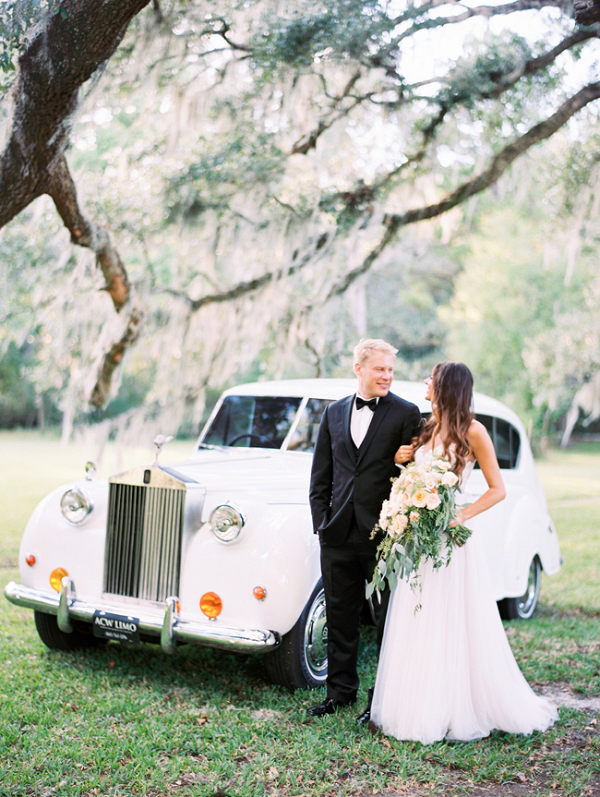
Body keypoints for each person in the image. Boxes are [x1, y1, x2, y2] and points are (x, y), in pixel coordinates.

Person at [370, 361, 558, 743]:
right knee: (419, 619)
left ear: (446, 386)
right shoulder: (427, 428)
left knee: (450, 620)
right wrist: (401, 466)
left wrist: (459, 515)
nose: (425, 381)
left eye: (431, 378)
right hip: (420, 542)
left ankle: (458, 705)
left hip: (450, 542)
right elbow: (414, 477)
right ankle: (419, 702)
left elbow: (497, 488)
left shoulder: (473, 431)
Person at [307, 339, 422, 720]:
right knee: (340, 616)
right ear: (359, 368)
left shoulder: (407, 413)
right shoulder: (333, 412)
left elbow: (418, 475)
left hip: (385, 533)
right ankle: (340, 693)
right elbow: (322, 473)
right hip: (337, 533)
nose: (387, 376)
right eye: (380, 369)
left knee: (388, 618)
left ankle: (381, 700)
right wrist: (321, 522)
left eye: (390, 370)